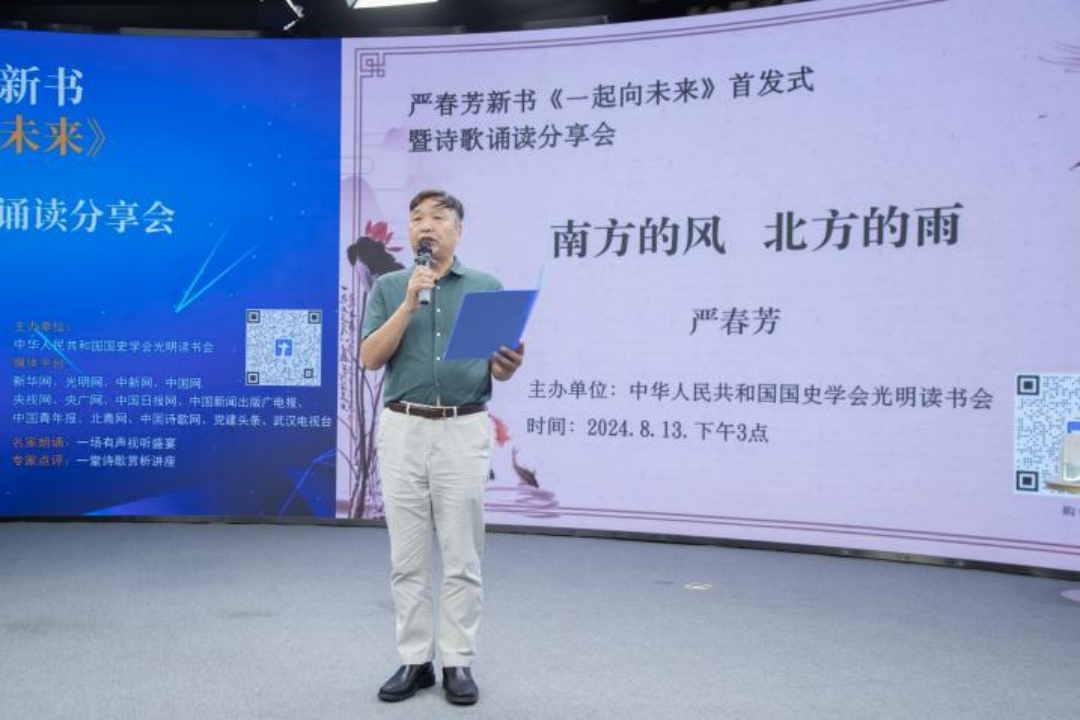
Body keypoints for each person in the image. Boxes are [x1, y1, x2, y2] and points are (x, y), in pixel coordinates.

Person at [359, 189, 524, 706]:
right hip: (404, 428)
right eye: (416, 218)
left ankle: (457, 661)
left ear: (458, 230)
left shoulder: (485, 287)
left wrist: (507, 365)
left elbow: (497, 367)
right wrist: (408, 304)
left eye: (436, 217)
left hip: (463, 427)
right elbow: (369, 357)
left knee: (461, 554)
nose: (424, 226)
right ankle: (415, 660)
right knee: (407, 556)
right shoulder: (390, 286)